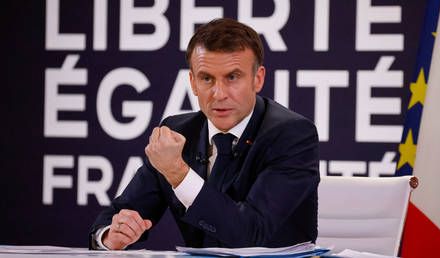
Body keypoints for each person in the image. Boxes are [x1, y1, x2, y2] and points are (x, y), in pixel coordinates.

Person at [89, 18, 319, 250]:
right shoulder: (178, 132)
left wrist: (179, 173)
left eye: (232, 77)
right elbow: (117, 216)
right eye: (207, 78)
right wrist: (111, 236)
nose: (219, 94)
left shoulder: (292, 135)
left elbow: (250, 235)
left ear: (257, 79)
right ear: (193, 82)